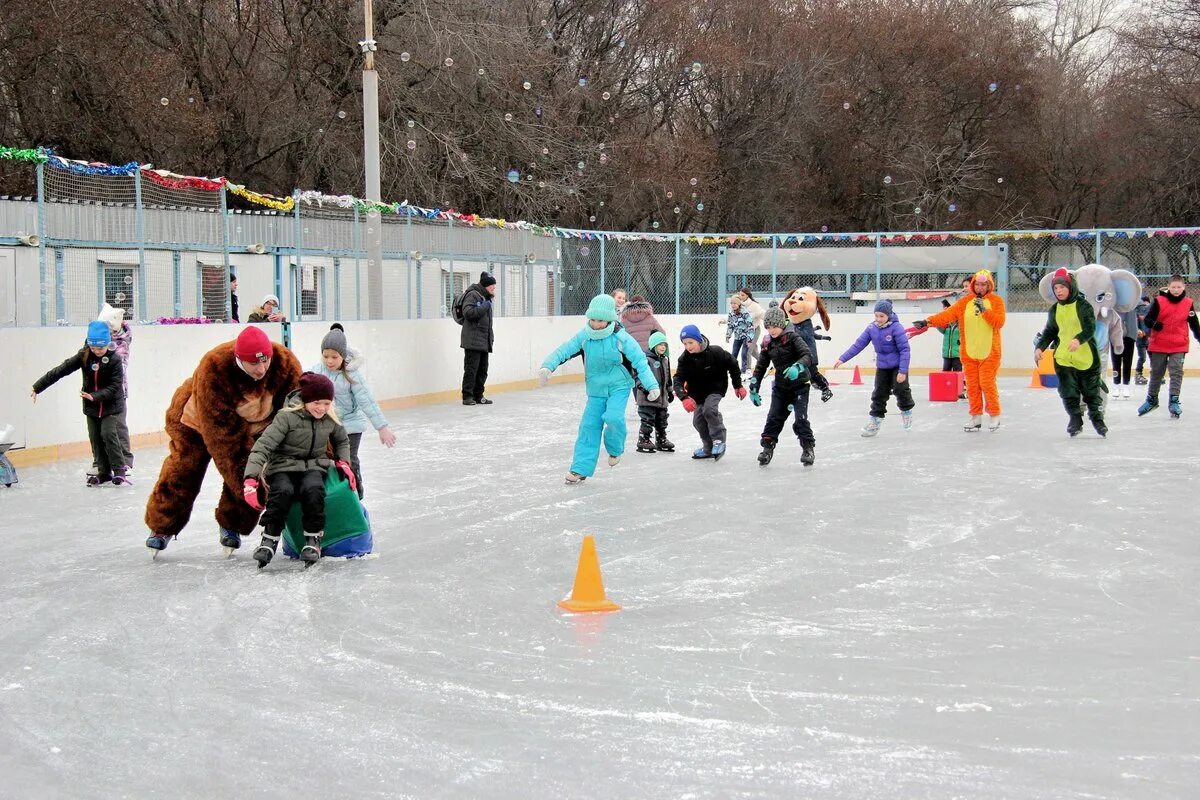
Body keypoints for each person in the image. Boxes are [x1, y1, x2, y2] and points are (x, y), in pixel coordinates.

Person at [144, 326, 303, 554]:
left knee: (255, 465)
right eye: (254, 364)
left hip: (255, 421)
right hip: (196, 422)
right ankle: (162, 526)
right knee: (185, 468)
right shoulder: (215, 367)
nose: (261, 369)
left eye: (265, 361)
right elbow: (227, 445)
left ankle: (232, 524)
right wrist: (250, 487)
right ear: (239, 359)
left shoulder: (285, 364)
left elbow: (300, 415)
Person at [538, 294, 659, 484]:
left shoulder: (621, 337)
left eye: (600, 320)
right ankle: (580, 469)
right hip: (595, 390)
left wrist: (651, 385)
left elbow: (639, 361)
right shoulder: (585, 336)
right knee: (588, 426)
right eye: (592, 319)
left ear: (610, 319)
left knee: (613, 418)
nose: (596, 324)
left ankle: (615, 448)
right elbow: (564, 349)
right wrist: (548, 366)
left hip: (619, 387)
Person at [242, 372, 354, 567]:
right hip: (283, 466)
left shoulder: (330, 418)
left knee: (313, 489)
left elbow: (342, 440)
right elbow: (263, 447)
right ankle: (269, 538)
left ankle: (312, 539)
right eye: (317, 402)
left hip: (314, 465)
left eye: (327, 403)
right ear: (306, 400)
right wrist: (251, 479)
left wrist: (344, 462)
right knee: (282, 491)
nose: (322, 408)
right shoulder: (286, 418)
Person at [31, 320, 128, 486]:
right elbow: (61, 370)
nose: (97, 351)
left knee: (108, 434)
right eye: (93, 348)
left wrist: (95, 396)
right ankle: (104, 472)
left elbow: (115, 386)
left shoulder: (115, 359)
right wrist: (37, 387)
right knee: (95, 438)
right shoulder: (84, 355)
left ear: (107, 344)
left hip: (111, 405)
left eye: (101, 348)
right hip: (91, 407)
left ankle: (119, 471)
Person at [914, 269, 1007, 431]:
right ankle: (976, 417)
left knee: (986, 383)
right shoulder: (965, 302)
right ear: (973, 285)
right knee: (972, 385)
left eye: (984, 285)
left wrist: (985, 310)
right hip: (969, 352)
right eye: (977, 284)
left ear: (989, 285)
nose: (980, 288)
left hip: (989, 352)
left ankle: (994, 415)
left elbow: (999, 322)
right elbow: (947, 315)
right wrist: (927, 321)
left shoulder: (996, 301)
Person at [309, 327, 395, 498]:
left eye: (334, 357)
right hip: (328, 424)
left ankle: (356, 494)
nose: (329, 361)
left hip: (351, 425)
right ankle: (334, 494)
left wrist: (382, 427)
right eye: (326, 356)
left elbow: (367, 401)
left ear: (343, 356)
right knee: (330, 460)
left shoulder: (351, 374)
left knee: (348, 459)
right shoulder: (318, 370)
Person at [1034, 269, 1107, 437]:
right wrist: (1040, 347)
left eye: (1062, 287)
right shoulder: (1054, 310)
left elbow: (1090, 328)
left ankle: (1097, 419)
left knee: (1091, 391)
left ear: (1071, 286)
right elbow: (1050, 331)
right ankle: (1075, 419)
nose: (1059, 291)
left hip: (1086, 357)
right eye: (1056, 288)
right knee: (1068, 392)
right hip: (1063, 359)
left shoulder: (1083, 306)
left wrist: (1078, 339)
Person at [833, 300, 914, 437]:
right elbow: (858, 345)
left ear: (888, 315)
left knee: (901, 390)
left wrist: (902, 371)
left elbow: (905, 350)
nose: (878, 319)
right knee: (879, 393)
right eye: (876, 316)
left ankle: (906, 412)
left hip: (897, 366)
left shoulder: (897, 328)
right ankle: (875, 421)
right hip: (882, 367)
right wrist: (842, 358)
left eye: (881, 316)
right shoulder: (872, 328)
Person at [750, 306, 816, 466]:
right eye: (769, 327)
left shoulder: (793, 337)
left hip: (800, 385)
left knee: (800, 419)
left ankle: (808, 448)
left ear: (782, 324)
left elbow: (808, 355)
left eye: (775, 326)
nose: (772, 330)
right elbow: (761, 366)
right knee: (774, 418)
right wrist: (754, 386)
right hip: (781, 387)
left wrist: (797, 367)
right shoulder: (767, 343)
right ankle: (767, 449)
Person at [672, 324, 745, 460]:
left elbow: (733, 364)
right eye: (685, 344)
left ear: (698, 340)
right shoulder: (684, 359)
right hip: (697, 393)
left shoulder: (716, 352)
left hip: (715, 388)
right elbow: (678, 378)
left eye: (691, 342)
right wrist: (684, 398)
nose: (688, 346)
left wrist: (738, 385)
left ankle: (719, 440)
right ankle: (708, 447)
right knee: (698, 421)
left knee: (709, 410)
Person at [1138, 274, 1200, 418]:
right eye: (1173, 287)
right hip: (1159, 343)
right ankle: (1152, 399)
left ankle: (1174, 400)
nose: (1176, 290)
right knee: (1157, 372)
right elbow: (1147, 319)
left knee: (1176, 371)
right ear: (1169, 287)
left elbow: (1194, 324)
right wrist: (1154, 324)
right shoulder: (1159, 301)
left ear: (1184, 287)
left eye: (1179, 287)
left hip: (1179, 344)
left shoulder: (1188, 303)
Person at [97, 303, 135, 474]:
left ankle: (125, 461)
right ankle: (103, 462)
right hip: (97, 392)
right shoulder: (97, 341)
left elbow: (119, 362)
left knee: (118, 426)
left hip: (118, 391)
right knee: (101, 429)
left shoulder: (121, 342)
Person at [634, 330, 675, 453]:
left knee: (662, 419)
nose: (663, 347)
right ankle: (643, 439)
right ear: (653, 345)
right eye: (660, 344)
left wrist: (670, 391)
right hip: (648, 398)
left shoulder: (665, 360)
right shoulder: (646, 359)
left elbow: (667, 378)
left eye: (664, 345)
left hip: (662, 398)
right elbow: (638, 375)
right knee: (647, 419)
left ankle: (661, 439)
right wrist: (645, 390)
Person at [461, 271, 497, 406]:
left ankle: (478, 395)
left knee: (482, 370)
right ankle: (467, 396)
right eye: (492, 286)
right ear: (486, 286)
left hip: (483, 341)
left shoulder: (485, 297)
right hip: (472, 341)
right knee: (471, 369)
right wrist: (485, 306)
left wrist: (490, 338)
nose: (494, 288)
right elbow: (468, 313)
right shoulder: (473, 295)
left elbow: (487, 323)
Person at [1111, 302, 1138, 400]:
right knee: (1116, 362)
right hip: (1115, 336)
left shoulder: (1132, 303)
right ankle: (1116, 385)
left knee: (1127, 362)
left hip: (1129, 336)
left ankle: (1126, 385)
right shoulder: (1113, 304)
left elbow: (1142, 307)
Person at [735, 287, 766, 366]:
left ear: (747, 296)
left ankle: (747, 369)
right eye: (740, 295)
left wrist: (771, 321)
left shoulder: (754, 305)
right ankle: (763, 364)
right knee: (753, 352)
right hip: (746, 332)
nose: (741, 296)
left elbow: (762, 314)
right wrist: (724, 320)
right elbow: (733, 316)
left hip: (755, 330)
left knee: (748, 351)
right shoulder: (739, 306)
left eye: (743, 295)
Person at [725, 294, 755, 374]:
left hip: (745, 336)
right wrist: (728, 335)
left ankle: (743, 370)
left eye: (735, 303)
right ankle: (732, 368)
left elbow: (750, 326)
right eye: (731, 303)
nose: (733, 305)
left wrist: (750, 339)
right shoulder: (731, 314)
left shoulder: (744, 312)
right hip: (737, 336)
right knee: (734, 353)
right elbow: (730, 325)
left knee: (744, 354)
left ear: (739, 304)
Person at [1134, 295, 1151, 385]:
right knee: (1142, 357)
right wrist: (1140, 331)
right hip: (1141, 339)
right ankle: (1138, 374)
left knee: (1153, 357)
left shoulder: (1150, 313)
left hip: (1149, 339)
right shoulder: (1137, 313)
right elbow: (1136, 325)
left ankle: (1156, 373)